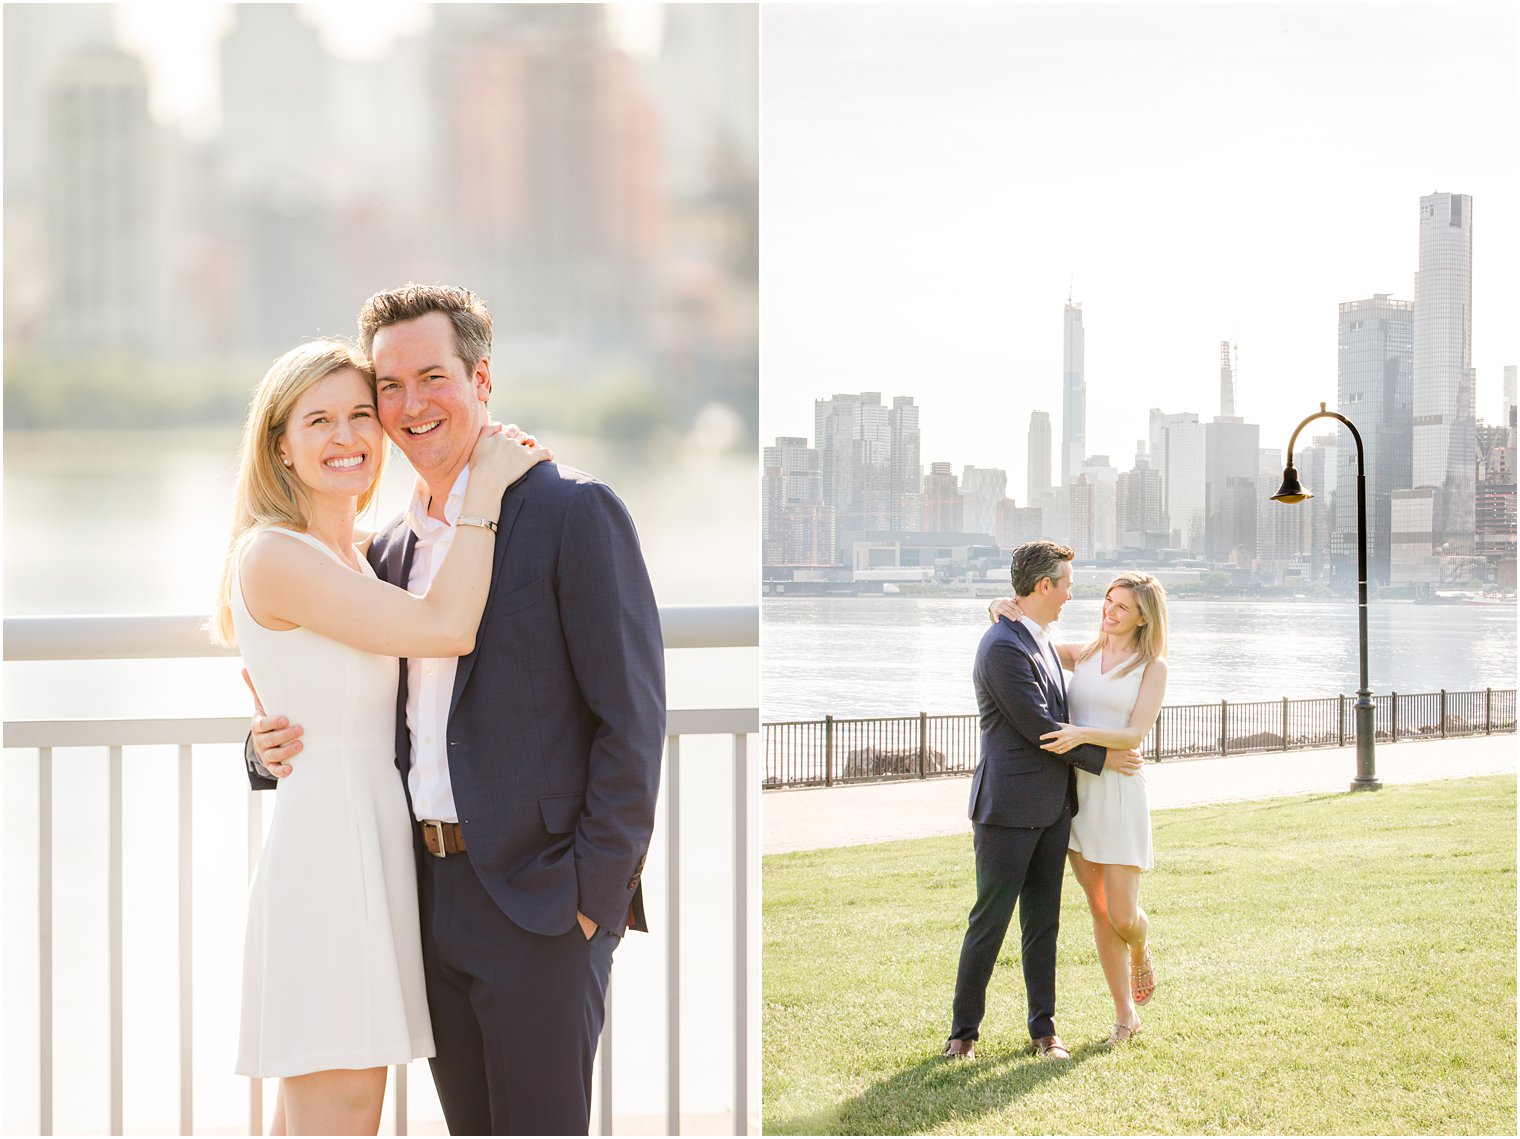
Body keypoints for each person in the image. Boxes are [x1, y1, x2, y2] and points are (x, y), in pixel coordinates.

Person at [249, 284, 666, 1136]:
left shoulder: (569, 510)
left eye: (431, 377)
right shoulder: (386, 553)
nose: (408, 406)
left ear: (482, 380)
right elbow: (330, 690)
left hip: (543, 903)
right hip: (421, 896)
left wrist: (592, 896)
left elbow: (634, 719)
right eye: (389, 388)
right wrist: (262, 749)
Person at [213, 337, 551, 1135]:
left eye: (361, 414)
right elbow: (445, 627)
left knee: (330, 1111)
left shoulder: (364, 558)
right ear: (281, 447)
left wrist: (261, 741)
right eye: (318, 419)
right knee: (343, 1106)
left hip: (370, 848)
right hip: (328, 856)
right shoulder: (273, 555)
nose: (347, 436)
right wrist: (488, 488)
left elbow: (322, 690)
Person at [945, 541, 1142, 1063]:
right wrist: (1104, 759)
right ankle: (963, 1035)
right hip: (1007, 811)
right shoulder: (1002, 647)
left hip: (1054, 808)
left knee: (1044, 924)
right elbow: (1040, 729)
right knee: (989, 922)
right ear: (1042, 586)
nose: (1071, 595)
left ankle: (1044, 1031)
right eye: (1067, 585)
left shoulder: (1040, 639)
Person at [988, 571, 1170, 1044]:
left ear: (1143, 617)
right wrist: (996, 607)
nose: (1108, 611)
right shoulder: (1082, 653)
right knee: (1099, 909)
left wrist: (1080, 734)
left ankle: (1140, 947)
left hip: (1120, 791)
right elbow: (1029, 640)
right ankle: (1125, 1015)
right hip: (1077, 794)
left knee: (1124, 916)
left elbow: (1133, 735)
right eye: (1107, 601)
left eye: (1121, 607)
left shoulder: (1153, 667)